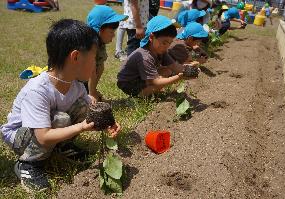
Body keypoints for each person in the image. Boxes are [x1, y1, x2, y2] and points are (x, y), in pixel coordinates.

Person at [0, 19, 121, 191]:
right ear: (76, 57)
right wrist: (81, 127)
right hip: (22, 137)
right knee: (61, 119)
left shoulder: (76, 85)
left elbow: (91, 109)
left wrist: (108, 123)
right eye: (94, 58)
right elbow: (42, 136)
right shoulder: (38, 90)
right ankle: (29, 164)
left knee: (84, 105)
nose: (96, 64)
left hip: (47, 128)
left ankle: (62, 146)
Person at [117, 16, 197, 97]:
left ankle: (148, 90)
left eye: (169, 43)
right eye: (164, 43)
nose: (167, 46)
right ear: (151, 37)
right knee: (156, 85)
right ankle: (140, 95)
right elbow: (155, 82)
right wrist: (178, 77)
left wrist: (188, 70)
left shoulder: (161, 51)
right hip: (129, 83)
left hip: (140, 77)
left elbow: (174, 66)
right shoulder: (145, 56)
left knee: (167, 71)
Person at [86, 5, 128, 103]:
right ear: (99, 30)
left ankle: (88, 91)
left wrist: (93, 90)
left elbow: (100, 67)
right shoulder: (89, 45)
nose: (113, 35)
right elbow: (91, 71)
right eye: (111, 32)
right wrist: (91, 93)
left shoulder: (100, 43)